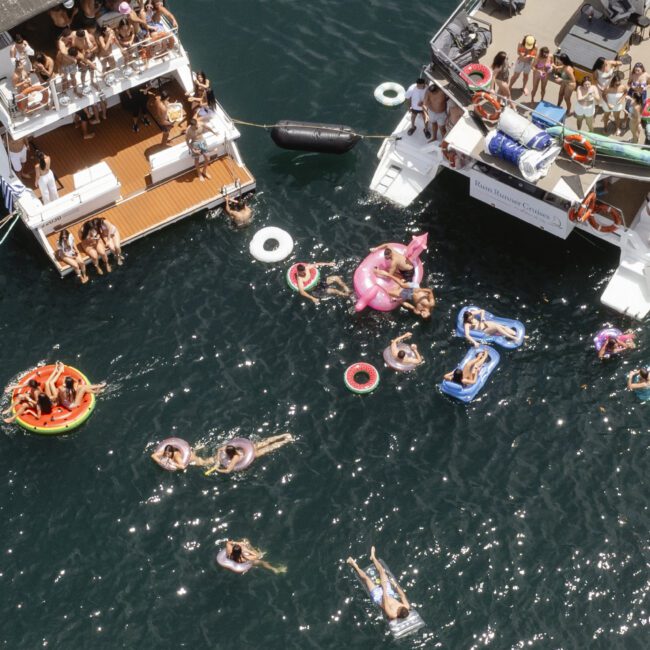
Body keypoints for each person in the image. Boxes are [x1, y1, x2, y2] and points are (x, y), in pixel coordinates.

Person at [346, 547, 410, 621]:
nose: (399, 606)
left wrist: (384, 587)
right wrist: (395, 585)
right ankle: (373, 557)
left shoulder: (392, 614)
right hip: (389, 593)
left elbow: (385, 600)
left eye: (399, 609)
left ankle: (354, 564)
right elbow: (402, 595)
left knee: (366, 579)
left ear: (398, 614)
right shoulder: (406, 606)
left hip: (379, 597)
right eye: (401, 607)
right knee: (382, 571)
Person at [211, 434, 294, 474]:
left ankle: (286, 440)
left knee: (269, 448)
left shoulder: (235, 458)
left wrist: (218, 469)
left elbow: (228, 470)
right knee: (266, 442)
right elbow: (219, 449)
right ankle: (284, 435)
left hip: (252, 455)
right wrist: (218, 460)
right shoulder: (229, 448)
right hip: (249, 448)